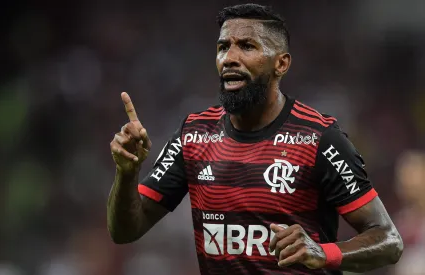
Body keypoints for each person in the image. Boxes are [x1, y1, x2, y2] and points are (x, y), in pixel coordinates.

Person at [107, 4, 403, 275]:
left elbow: (388, 239)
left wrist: (323, 252)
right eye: (223, 47)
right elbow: (125, 231)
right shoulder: (193, 134)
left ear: (281, 64)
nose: (230, 58)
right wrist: (126, 172)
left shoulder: (320, 138)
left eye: (247, 46)